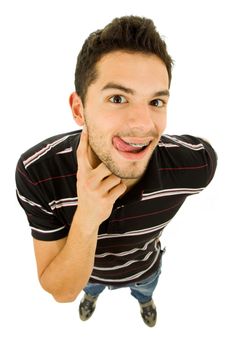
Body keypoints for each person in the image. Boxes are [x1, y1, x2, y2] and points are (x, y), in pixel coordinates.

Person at [15, 15, 217, 328]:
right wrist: (87, 216)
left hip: (144, 269)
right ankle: (92, 297)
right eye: (117, 98)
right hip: (88, 273)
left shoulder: (194, 166)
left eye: (156, 101)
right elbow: (62, 290)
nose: (142, 124)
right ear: (79, 109)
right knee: (88, 288)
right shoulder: (38, 172)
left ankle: (145, 301)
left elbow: (206, 151)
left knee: (145, 289)